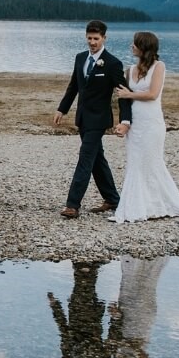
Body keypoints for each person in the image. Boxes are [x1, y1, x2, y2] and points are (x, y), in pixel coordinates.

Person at [112, 31, 179, 223]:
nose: (131, 46)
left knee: (152, 161)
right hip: (136, 123)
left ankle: (160, 203)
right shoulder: (129, 70)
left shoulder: (159, 67)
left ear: (144, 47)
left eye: (135, 43)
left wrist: (129, 95)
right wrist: (125, 122)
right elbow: (123, 98)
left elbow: (153, 94)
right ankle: (136, 206)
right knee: (135, 163)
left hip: (152, 122)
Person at [52, 20, 132, 218]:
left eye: (96, 39)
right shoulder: (80, 58)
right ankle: (113, 199)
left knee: (85, 158)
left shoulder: (113, 63)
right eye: (89, 38)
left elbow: (123, 94)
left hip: (99, 120)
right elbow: (73, 87)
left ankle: (72, 205)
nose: (92, 42)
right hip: (82, 118)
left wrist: (125, 121)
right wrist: (62, 109)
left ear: (104, 38)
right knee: (97, 160)